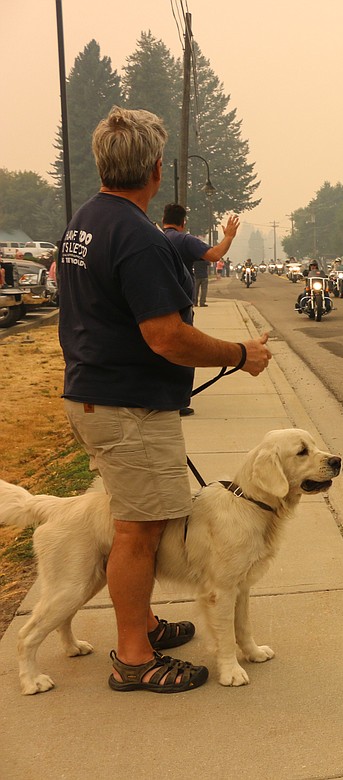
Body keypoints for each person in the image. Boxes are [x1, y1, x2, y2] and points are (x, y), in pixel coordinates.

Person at [56, 106, 273, 693]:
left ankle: (143, 621)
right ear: (154, 169)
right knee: (140, 530)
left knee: (141, 521)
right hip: (125, 406)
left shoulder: (85, 221)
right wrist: (239, 353)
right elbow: (167, 337)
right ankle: (133, 657)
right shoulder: (138, 237)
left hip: (100, 393)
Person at [161, 204, 238, 308]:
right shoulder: (185, 240)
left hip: (158, 301)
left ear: (163, 220)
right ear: (183, 223)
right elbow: (215, 255)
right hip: (180, 301)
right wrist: (229, 237)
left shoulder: (154, 238)